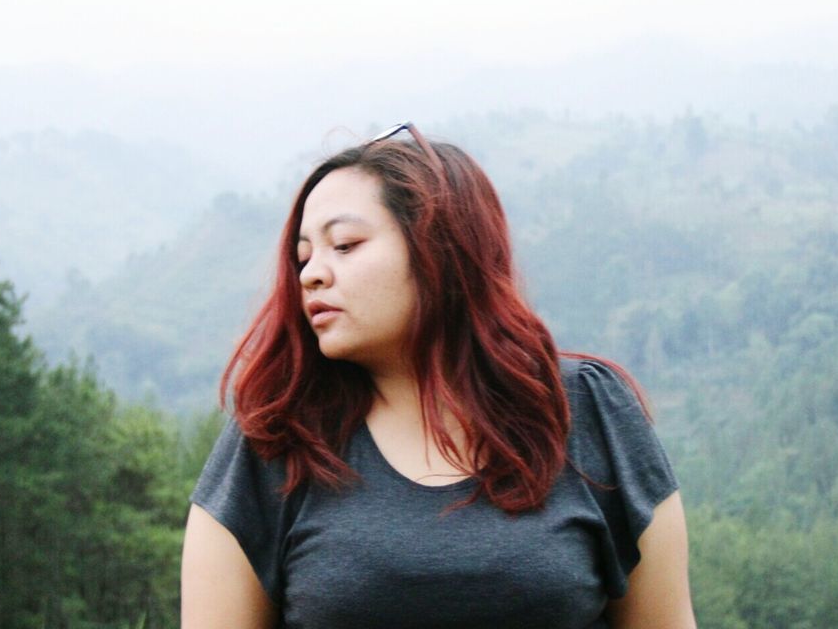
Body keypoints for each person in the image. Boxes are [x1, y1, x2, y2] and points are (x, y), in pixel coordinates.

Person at [181, 123, 696, 628]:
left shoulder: (588, 412)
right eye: (303, 256)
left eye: (344, 245)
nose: (311, 274)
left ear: (441, 249)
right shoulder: (276, 439)